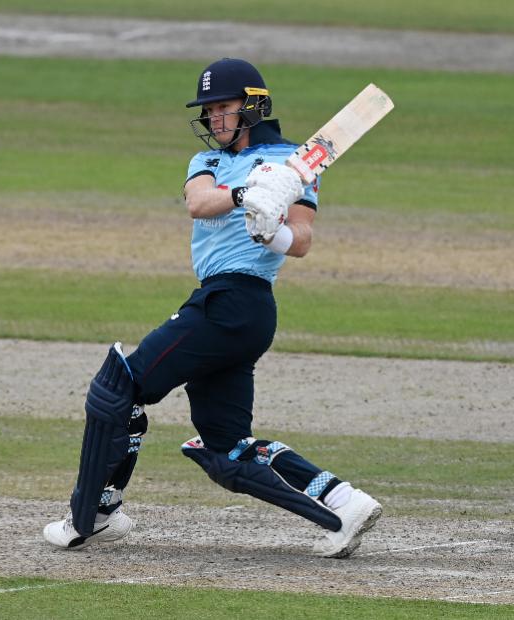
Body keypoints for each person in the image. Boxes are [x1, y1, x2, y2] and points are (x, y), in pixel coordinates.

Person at [43, 58, 382, 558]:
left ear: (253, 105)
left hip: (236, 302)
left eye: (222, 108)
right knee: (227, 447)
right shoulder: (209, 164)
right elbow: (199, 204)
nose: (213, 119)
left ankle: (88, 516)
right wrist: (250, 193)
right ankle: (343, 505)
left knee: (118, 388)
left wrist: (273, 229)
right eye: (208, 111)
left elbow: (303, 241)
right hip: (228, 307)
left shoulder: (294, 165)